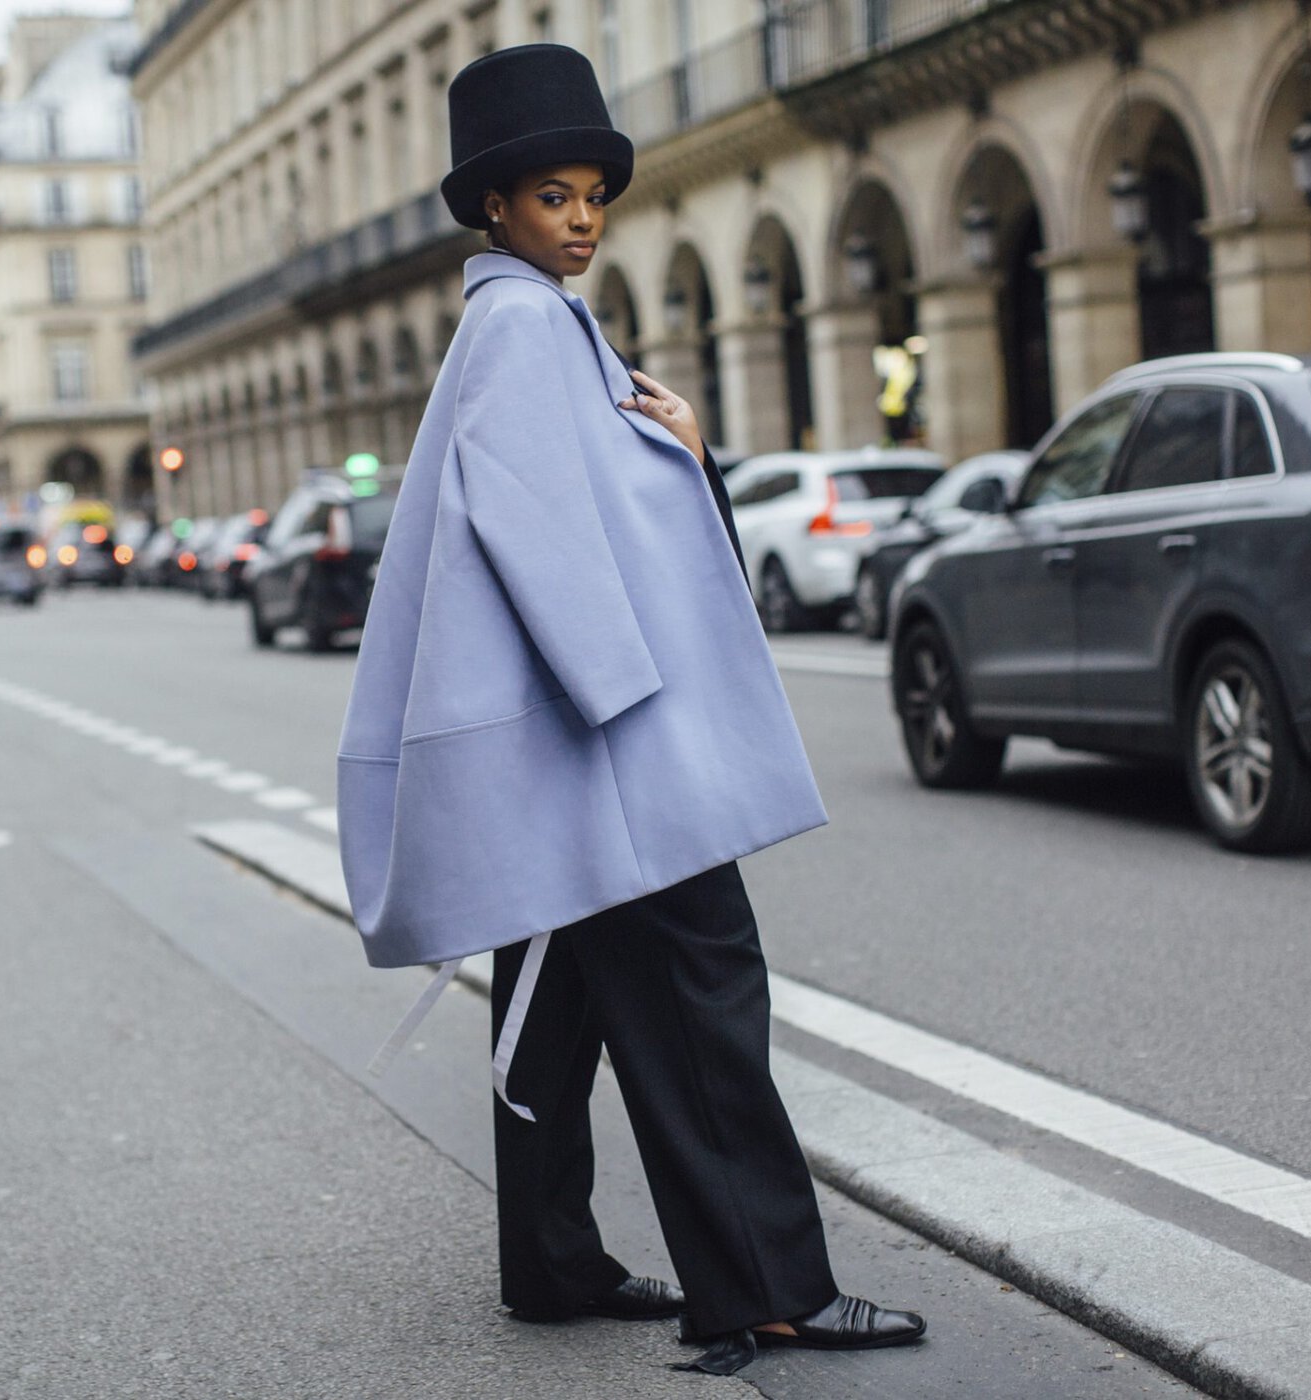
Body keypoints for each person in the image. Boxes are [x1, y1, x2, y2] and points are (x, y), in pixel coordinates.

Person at [336, 44, 926, 1377]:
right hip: (615, 732)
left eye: (594, 191)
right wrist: (626, 694)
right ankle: (769, 1291)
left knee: (556, 986)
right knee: (704, 978)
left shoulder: (516, 322)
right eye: (553, 195)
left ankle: (550, 1263)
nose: (583, 217)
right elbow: (547, 530)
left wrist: (686, 455)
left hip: (574, 734)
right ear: (496, 208)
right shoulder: (531, 327)